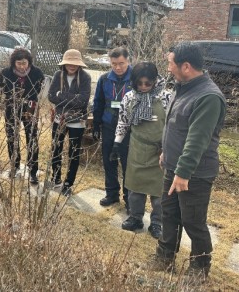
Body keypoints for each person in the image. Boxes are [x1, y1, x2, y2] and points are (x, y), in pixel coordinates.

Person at [154, 42, 226, 279]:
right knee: (169, 214)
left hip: (193, 174)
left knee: (193, 222)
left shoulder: (208, 97)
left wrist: (183, 173)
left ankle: (199, 269)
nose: (168, 67)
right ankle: (164, 258)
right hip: (174, 167)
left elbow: (197, 139)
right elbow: (175, 126)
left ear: (185, 66)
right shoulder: (183, 87)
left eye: (170, 62)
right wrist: (166, 151)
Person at [113, 62, 172, 239]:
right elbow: (123, 121)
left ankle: (157, 223)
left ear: (155, 81)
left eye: (148, 83)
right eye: (140, 83)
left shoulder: (166, 97)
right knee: (135, 188)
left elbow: (172, 125)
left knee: (159, 192)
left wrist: (169, 147)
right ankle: (135, 218)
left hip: (160, 150)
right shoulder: (129, 98)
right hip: (138, 148)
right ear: (134, 81)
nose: (144, 87)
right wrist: (117, 143)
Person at [92, 46, 133, 209]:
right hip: (109, 124)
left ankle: (130, 198)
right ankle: (111, 193)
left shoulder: (136, 78)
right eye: (114, 63)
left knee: (127, 163)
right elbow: (98, 102)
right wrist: (96, 123)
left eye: (121, 63)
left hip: (129, 128)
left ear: (128, 60)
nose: (117, 67)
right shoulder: (104, 79)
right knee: (109, 161)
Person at [47, 49, 91, 196]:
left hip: (78, 120)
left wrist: (62, 96)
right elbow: (51, 96)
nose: (72, 66)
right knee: (56, 148)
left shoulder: (85, 77)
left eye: (75, 63)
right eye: (69, 63)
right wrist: (73, 97)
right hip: (60, 118)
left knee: (74, 152)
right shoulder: (58, 75)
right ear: (64, 64)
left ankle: (68, 183)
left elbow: (83, 100)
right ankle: (56, 177)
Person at [0, 48, 44, 184]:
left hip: (30, 107)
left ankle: (33, 170)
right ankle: (15, 165)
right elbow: (4, 89)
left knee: (32, 137)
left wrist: (27, 99)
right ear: (14, 63)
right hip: (11, 107)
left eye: (24, 63)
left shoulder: (37, 73)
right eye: (19, 63)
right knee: (12, 136)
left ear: (29, 62)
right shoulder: (6, 73)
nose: (22, 66)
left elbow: (38, 89)